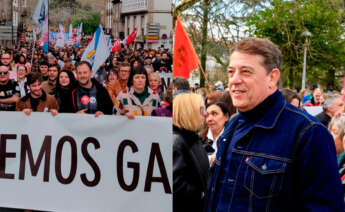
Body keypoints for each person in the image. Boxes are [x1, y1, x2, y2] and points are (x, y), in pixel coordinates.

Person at [204, 38, 344, 211]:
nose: (234, 80)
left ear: (272, 77)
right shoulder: (233, 124)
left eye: (246, 72)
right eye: (231, 72)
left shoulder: (309, 133)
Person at [173, 93, 209, 212]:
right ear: (188, 111)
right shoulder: (177, 142)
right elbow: (176, 186)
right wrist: (200, 193)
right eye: (201, 109)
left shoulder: (190, 137)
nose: (205, 113)